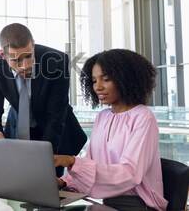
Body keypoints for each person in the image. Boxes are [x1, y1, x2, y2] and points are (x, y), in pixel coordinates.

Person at [54, 49, 168, 211]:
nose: (98, 87)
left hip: (138, 203)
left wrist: (72, 161)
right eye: (94, 81)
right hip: (105, 200)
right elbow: (92, 163)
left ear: (125, 79)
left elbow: (130, 174)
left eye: (105, 79)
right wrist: (64, 182)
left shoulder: (143, 117)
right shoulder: (103, 117)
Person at [0, 23, 87, 176]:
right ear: (2, 55)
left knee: (49, 183)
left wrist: (42, 159)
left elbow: (56, 117)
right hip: (18, 130)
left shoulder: (56, 61)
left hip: (55, 133)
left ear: (33, 45)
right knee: (14, 180)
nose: (24, 66)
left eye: (28, 56)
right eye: (16, 60)